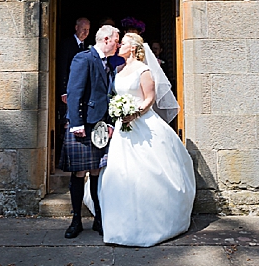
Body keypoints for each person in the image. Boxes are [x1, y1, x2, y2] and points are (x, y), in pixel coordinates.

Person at [99, 32, 195, 247]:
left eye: (122, 43)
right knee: (121, 172)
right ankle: (120, 226)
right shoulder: (119, 69)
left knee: (148, 171)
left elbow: (150, 98)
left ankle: (154, 222)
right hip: (122, 127)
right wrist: (118, 112)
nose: (118, 46)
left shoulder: (144, 70)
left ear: (132, 47)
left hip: (142, 123)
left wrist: (135, 112)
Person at [60, 25, 120, 239]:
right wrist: (75, 123)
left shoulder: (110, 62)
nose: (118, 44)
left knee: (96, 171)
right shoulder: (83, 58)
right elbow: (74, 91)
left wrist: (111, 122)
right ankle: (76, 220)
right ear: (105, 39)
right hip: (83, 125)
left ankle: (98, 219)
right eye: (116, 39)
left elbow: (109, 94)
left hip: (100, 126)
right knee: (78, 173)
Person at [58, 17, 91, 104]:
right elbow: (62, 67)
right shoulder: (67, 44)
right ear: (76, 28)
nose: (86, 33)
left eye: (88, 30)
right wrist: (63, 90)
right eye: (83, 29)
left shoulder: (89, 45)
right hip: (70, 87)